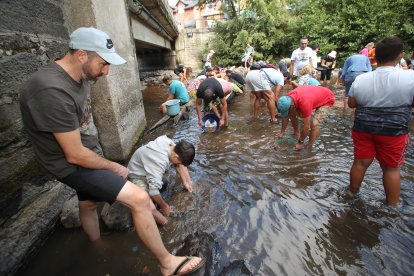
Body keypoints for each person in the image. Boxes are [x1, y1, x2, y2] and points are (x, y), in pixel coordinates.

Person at [19, 27, 204, 276]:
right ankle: (167, 263)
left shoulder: (80, 77)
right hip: (70, 163)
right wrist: (114, 165)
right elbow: (74, 155)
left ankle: (97, 245)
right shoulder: (51, 89)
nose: (106, 72)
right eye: (103, 64)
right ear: (82, 55)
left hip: (86, 153)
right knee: (139, 199)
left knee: (87, 205)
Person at [347, 36, 414, 206]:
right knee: (391, 168)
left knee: (360, 163)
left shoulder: (361, 79)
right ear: (400, 55)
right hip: (393, 131)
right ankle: (391, 208)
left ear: (375, 56)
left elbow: (352, 103)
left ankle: (351, 193)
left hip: (363, 128)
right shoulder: (410, 77)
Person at [127, 135, 195, 225]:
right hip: (136, 176)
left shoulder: (170, 144)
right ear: (175, 156)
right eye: (179, 162)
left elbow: (179, 165)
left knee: (164, 183)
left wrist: (187, 182)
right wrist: (165, 207)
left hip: (145, 168)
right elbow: (153, 191)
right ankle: (165, 222)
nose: (179, 164)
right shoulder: (159, 161)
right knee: (147, 203)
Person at [276, 86, 335, 150]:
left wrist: (300, 142)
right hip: (314, 96)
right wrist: (282, 132)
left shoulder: (304, 103)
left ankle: (309, 147)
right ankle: (297, 134)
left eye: (287, 111)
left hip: (327, 98)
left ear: (292, 106)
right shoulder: (286, 99)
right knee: (291, 113)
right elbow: (286, 116)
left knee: (314, 123)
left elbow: (307, 127)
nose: (287, 113)